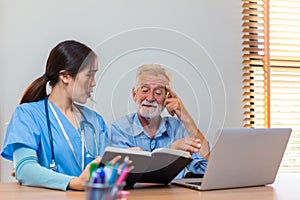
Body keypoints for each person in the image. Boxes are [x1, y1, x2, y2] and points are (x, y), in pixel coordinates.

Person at [1, 40, 120, 191]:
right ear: (65, 76)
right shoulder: (27, 115)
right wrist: (74, 183)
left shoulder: (95, 120)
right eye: (89, 75)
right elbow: (25, 170)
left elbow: (106, 168)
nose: (94, 83)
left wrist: (125, 159)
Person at [110, 64, 210, 179]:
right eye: (145, 90)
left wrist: (185, 117)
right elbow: (125, 176)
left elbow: (207, 167)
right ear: (134, 95)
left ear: (166, 98)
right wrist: (171, 153)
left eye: (158, 93)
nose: (150, 98)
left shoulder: (177, 128)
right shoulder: (119, 129)